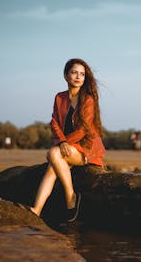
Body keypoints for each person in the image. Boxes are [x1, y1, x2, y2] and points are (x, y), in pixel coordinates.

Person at [29, 58, 105, 222]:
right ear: (66, 75)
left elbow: (83, 130)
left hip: (86, 148)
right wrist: (62, 142)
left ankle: (70, 196)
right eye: (74, 72)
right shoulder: (59, 97)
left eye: (82, 74)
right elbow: (54, 122)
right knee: (52, 167)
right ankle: (36, 210)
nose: (78, 77)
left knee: (54, 154)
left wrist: (64, 143)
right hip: (67, 147)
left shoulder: (88, 99)